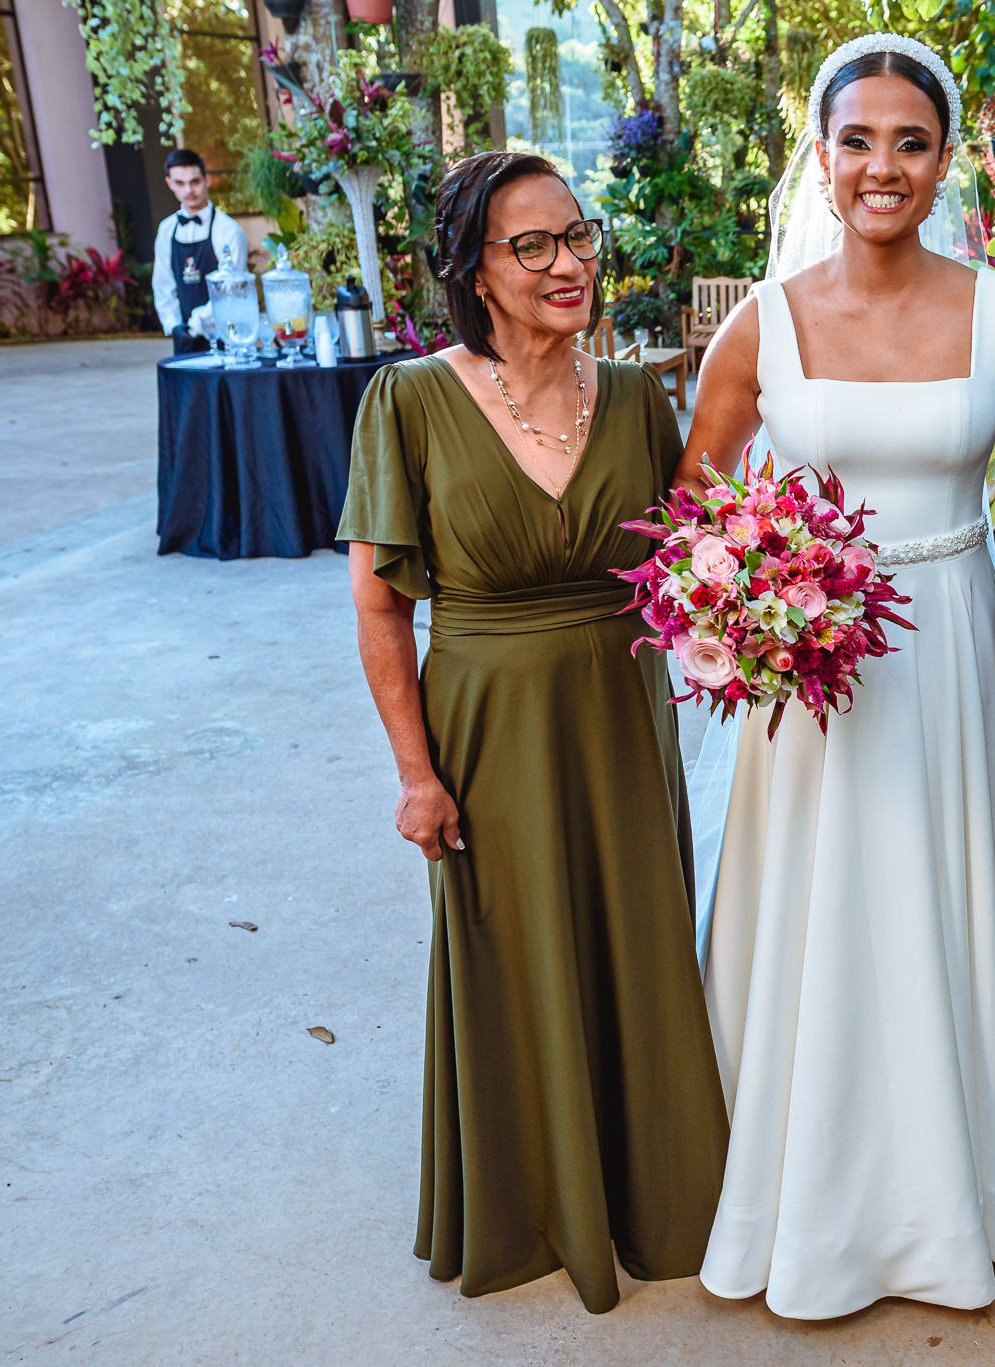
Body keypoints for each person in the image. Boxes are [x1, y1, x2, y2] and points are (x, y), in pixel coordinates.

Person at [676, 33, 995, 1321]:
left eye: (909, 142)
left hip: (948, 650)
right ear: (820, 158)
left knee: (955, 893)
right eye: (857, 140)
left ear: (942, 163)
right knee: (821, 902)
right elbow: (700, 494)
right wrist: (746, 593)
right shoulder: (764, 322)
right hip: (810, 671)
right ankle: (801, 1185)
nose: (882, 165)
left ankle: (972, 1182)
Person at [337, 150, 728, 1312]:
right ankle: (530, 1202)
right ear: (473, 270)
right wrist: (416, 775)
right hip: (488, 722)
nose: (571, 264)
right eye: (533, 246)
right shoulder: (408, 399)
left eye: (579, 235)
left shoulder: (638, 397)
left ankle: (657, 1191)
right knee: (515, 948)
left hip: (619, 719)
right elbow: (377, 602)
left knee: (634, 938)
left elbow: (691, 569)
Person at [152, 149, 248, 355]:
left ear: (207, 180)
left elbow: (231, 289)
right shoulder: (167, 229)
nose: (188, 190)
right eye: (180, 183)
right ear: (169, 183)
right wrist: (174, 325)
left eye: (194, 181)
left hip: (226, 335)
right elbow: (163, 283)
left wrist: (197, 324)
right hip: (184, 338)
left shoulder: (228, 230)